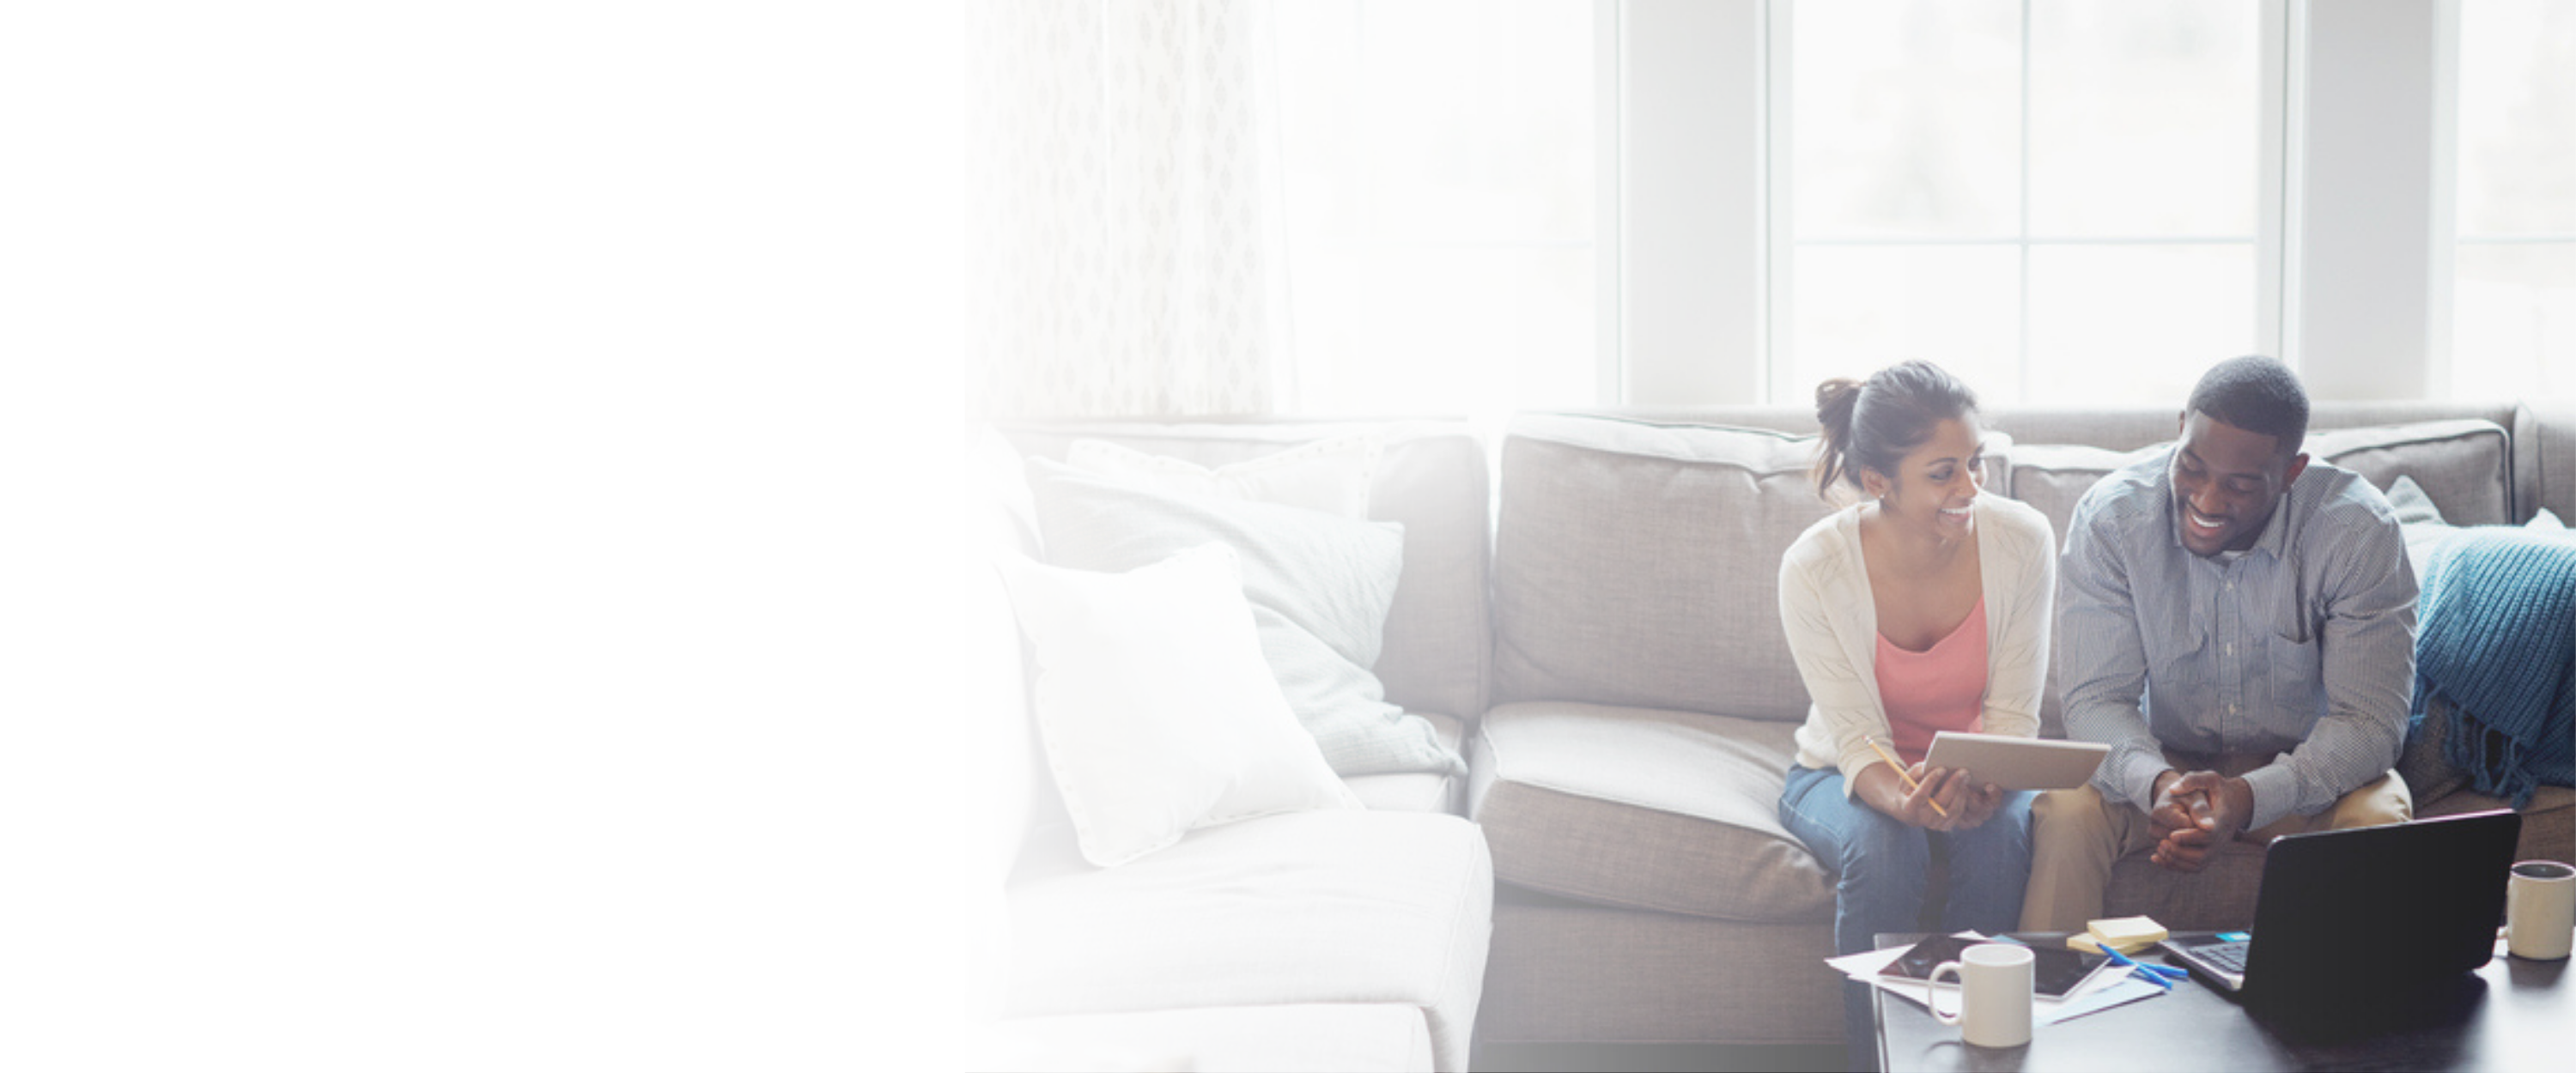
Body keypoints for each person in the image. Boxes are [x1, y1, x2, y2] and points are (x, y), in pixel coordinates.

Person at [2021, 355, 2415, 932]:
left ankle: (2339, 1014)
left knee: (2379, 816)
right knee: (2067, 809)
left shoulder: (2358, 534)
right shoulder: (2113, 520)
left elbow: (2370, 723)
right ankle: (2050, 1010)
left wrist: (2249, 798)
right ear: (2181, 427)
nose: (2206, 500)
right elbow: (2096, 700)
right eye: (2192, 467)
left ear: (2291, 471)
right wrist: (2156, 784)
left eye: (2239, 484)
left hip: (2298, 778)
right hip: (2165, 767)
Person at [1777, 360, 2057, 961]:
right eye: (1942, 473)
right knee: (1888, 849)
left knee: (2002, 838)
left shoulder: (2023, 541)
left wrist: (1988, 783)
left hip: (1976, 769)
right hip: (1842, 773)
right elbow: (1856, 742)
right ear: (1879, 480)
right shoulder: (1814, 567)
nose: (1971, 488)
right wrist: (1907, 804)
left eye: (1975, 461)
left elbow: (2012, 717)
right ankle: (1881, 1049)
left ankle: (1978, 1038)